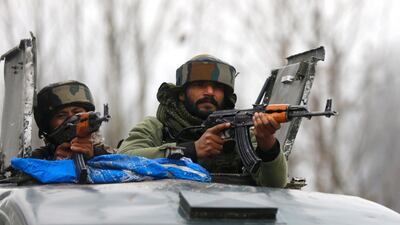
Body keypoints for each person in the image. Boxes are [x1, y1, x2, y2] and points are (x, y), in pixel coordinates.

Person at [118, 55, 287, 187]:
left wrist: (267, 144)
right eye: (200, 85)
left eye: (217, 87)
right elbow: (122, 159)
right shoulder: (156, 127)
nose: (209, 92)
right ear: (181, 94)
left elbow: (275, 185)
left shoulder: (239, 132)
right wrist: (191, 150)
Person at [32, 80, 114, 160]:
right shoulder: (36, 160)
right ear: (47, 125)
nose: (72, 119)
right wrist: (54, 165)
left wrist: (92, 158)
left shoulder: (109, 156)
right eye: (61, 115)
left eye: (78, 113)